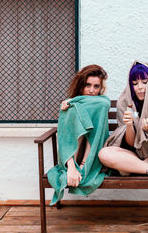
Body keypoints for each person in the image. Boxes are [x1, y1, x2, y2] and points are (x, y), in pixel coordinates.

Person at [47, 64, 110, 205]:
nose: (92, 90)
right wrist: (71, 168)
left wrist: (73, 101)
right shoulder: (70, 107)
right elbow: (65, 137)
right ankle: (72, 167)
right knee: (73, 111)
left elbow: (105, 102)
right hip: (70, 157)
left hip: (93, 157)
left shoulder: (100, 103)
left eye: (96, 86)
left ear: (101, 88)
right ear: (80, 85)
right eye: (88, 85)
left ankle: (84, 166)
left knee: (97, 107)